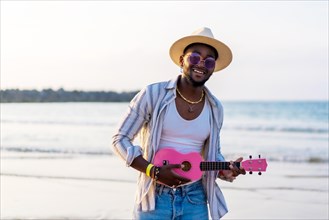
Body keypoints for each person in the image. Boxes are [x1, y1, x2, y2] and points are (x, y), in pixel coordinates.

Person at [112, 27, 246, 220]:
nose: (201, 63)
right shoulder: (153, 95)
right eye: (195, 57)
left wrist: (226, 169)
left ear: (213, 67)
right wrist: (153, 171)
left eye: (209, 60)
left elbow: (212, 154)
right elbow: (119, 139)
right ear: (182, 60)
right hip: (154, 196)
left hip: (196, 199)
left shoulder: (215, 108)